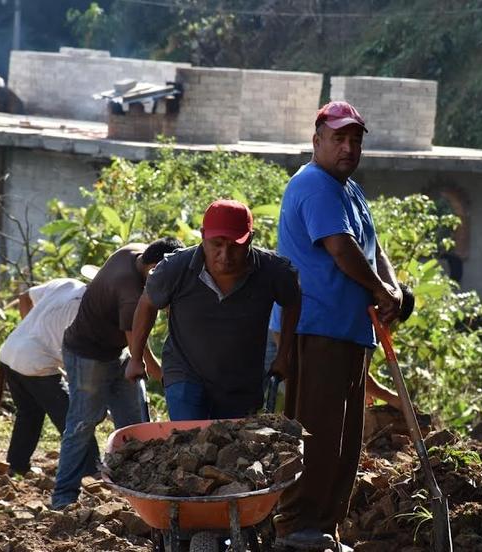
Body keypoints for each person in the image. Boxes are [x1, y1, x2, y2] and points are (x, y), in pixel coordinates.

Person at [270, 100, 402, 550]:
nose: (348, 148)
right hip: (317, 326)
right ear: (317, 141)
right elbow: (343, 249)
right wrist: (381, 291)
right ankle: (297, 526)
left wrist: (393, 287)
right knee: (316, 430)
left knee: (345, 439)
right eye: (339, 138)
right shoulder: (314, 184)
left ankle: (325, 526)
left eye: (355, 140)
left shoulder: (351, 190)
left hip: (351, 330)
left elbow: (372, 247)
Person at [126, 199, 301, 420]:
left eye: (235, 246)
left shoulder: (273, 271)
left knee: (231, 445)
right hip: (186, 371)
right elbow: (147, 303)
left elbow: (292, 301)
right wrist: (135, 359)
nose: (225, 256)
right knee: (190, 438)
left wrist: (283, 354)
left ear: (251, 239)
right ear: (203, 235)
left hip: (241, 379)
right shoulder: (175, 268)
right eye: (217, 244)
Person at [51, 237, 184, 510]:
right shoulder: (130, 291)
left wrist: (144, 361)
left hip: (116, 352)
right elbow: (135, 335)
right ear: (156, 266)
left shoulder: (133, 251)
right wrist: (150, 365)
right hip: (87, 354)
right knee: (83, 422)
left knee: (134, 424)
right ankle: (63, 496)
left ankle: (138, 493)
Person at [0, 277, 84, 476]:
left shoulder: (66, 284)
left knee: (29, 412)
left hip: (11, 350)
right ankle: (89, 470)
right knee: (72, 417)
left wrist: (30, 335)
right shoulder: (93, 308)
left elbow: (24, 297)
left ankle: (17, 465)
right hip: (38, 362)